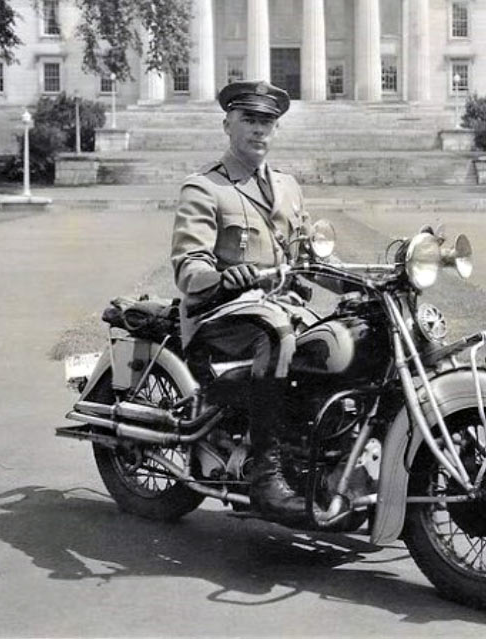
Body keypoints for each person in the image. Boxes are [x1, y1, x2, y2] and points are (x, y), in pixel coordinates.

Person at [170, 80, 310, 523]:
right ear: (227, 124)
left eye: (267, 121)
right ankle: (266, 476)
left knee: (349, 334)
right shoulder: (205, 187)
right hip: (220, 315)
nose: (259, 130)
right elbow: (188, 268)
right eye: (249, 119)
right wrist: (223, 276)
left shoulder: (288, 186)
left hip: (278, 309)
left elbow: (307, 253)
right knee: (276, 333)